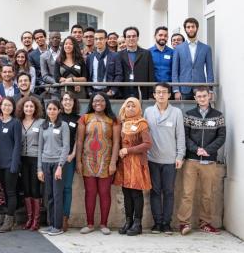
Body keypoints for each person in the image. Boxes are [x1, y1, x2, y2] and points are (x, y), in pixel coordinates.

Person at [177, 87, 226, 235]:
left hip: (210, 162)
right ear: (195, 98)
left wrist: (208, 150)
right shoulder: (189, 115)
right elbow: (184, 136)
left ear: (209, 96)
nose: (202, 98)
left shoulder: (218, 116)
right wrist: (196, 149)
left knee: (207, 194)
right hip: (191, 160)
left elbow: (221, 136)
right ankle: (184, 223)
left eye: (204, 96)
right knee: (187, 193)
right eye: (199, 96)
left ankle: (205, 223)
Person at [75, 92, 119, 235]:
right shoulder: (84, 118)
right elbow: (80, 141)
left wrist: (113, 162)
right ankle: (89, 224)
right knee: (90, 193)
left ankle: (104, 224)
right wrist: (78, 161)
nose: (98, 103)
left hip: (106, 162)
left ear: (106, 102)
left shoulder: (113, 120)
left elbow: (117, 142)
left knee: (105, 192)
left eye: (101, 100)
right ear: (91, 103)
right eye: (95, 101)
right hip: (88, 161)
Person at [144, 83, 185, 235]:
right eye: (158, 92)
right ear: (154, 95)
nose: (161, 95)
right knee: (154, 192)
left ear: (169, 95)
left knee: (168, 192)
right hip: (152, 159)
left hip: (170, 160)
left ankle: (167, 223)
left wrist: (180, 156)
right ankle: (157, 223)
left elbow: (180, 136)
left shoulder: (176, 113)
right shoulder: (148, 112)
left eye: (164, 92)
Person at [114, 97, 153, 236]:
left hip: (136, 163)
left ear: (138, 108)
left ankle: (138, 224)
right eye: (128, 106)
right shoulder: (123, 123)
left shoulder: (142, 123)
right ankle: (128, 221)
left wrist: (128, 150)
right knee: (126, 194)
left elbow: (147, 144)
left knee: (136, 194)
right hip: (124, 164)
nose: (130, 108)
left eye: (133, 106)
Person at [37, 100, 70, 236]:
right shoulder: (43, 126)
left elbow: (66, 146)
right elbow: (40, 148)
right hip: (45, 163)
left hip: (58, 164)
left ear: (59, 110)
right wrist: (39, 168)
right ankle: (51, 224)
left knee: (57, 195)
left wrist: (60, 166)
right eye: (49, 109)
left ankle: (58, 226)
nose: (51, 111)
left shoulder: (63, 125)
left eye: (54, 109)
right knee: (49, 195)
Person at [17, 96, 44, 231]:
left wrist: (40, 166)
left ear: (35, 108)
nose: (29, 109)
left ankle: (36, 220)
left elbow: (43, 144)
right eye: (26, 106)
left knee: (35, 189)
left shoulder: (41, 122)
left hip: (35, 158)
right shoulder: (18, 122)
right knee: (26, 189)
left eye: (31, 106)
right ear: (22, 108)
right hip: (23, 159)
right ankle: (29, 218)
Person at [0, 97, 22, 233]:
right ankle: (11, 218)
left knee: (11, 193)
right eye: (4, 105)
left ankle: (8, 220)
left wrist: (15, 164)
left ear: (13, 108)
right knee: (5, 192)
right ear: (0, 106)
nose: (6, 107)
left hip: (10, 164)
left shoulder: (16, 123)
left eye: (9, 105)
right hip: (0, 164)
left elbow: (18, 145)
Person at [172, 17, 214, 100]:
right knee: (184, 112)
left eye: (193, 26)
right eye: (188, 27)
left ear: (197, 28)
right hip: (183, 89)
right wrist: (176, 90)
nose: (191, 29)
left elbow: (210, 71)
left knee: (201, 112)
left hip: (201, 89)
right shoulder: (178, 48)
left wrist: (210, 90)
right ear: (185, 29)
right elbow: (175, 71)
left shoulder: (206, 48)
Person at [60, 92, 80, 231]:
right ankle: (55, 215)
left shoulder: (78, 119)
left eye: (70, 100)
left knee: (67, 188)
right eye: (65, 99)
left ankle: (64, 218)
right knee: (55, 190)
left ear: (74, 102)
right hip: (55, 157)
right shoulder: (56, 116)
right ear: (61, 102)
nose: (67, 102)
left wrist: (73, 154)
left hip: (69, 158)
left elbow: (78, 140)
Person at [118, 26, 155, 99]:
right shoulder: (118, 55)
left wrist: (151, 94)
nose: (131, 38)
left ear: (137, 38)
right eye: (128, 36)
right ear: (125, 39)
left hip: (141, 91)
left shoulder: (146, 53)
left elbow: (151, 74)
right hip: (124, 92)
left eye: (134, 36)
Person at [86, 29, 123, 98]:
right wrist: (89, 91)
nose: (98, 41)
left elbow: (119, 75)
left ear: (106, 39)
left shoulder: (115, 56)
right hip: (93, 93)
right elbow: (87, 75)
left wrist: (113, 90)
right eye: (96, 39)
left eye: (101, 39)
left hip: (109, 92)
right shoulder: (90, 57)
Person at [40, 31, 61, 100]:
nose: (55, 39)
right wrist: (57, 82)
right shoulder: (43, 56)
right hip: (53, 89)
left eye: (57, 38)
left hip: (67, 87)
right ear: (49, 40)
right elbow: (44, 76)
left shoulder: (65, 53)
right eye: (53, 38)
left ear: (60, 39)